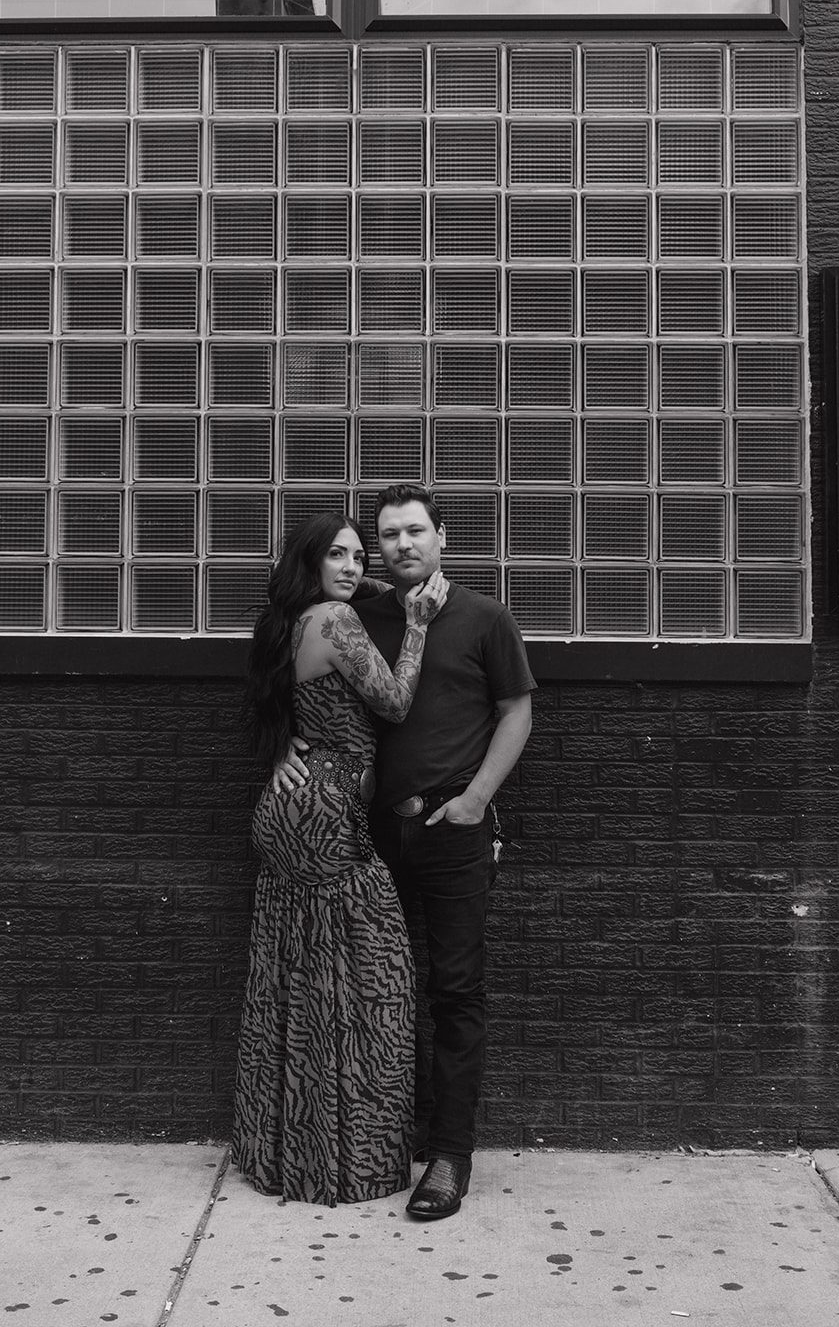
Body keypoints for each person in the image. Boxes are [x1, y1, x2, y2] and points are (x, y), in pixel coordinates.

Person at [273, 484, 534, 1220]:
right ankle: (390, 1138)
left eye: (414, 531)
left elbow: (516, 712)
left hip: (454, 828)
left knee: (454, 991)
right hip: (368, 835)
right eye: (386, 536)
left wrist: (478, 798)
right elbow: (297, 689)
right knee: (375, 991)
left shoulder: (483, 617)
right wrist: (281, 749)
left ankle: (449, 1156)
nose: (399, 546)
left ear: (441, 536)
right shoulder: (359, 615)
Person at [232, 510, 448, 1207]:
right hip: (324, 823)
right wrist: (416, 625)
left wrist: (278, 756)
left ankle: (291, 1153)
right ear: (312, 563)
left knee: (301, 979)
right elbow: (391, 702)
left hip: (298, 813)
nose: (354, 567)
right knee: (374, 977)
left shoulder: (292, 624)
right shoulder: (333, 619)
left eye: (360, 555)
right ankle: (342, 1160)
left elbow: (286, 716)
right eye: (338, 555)